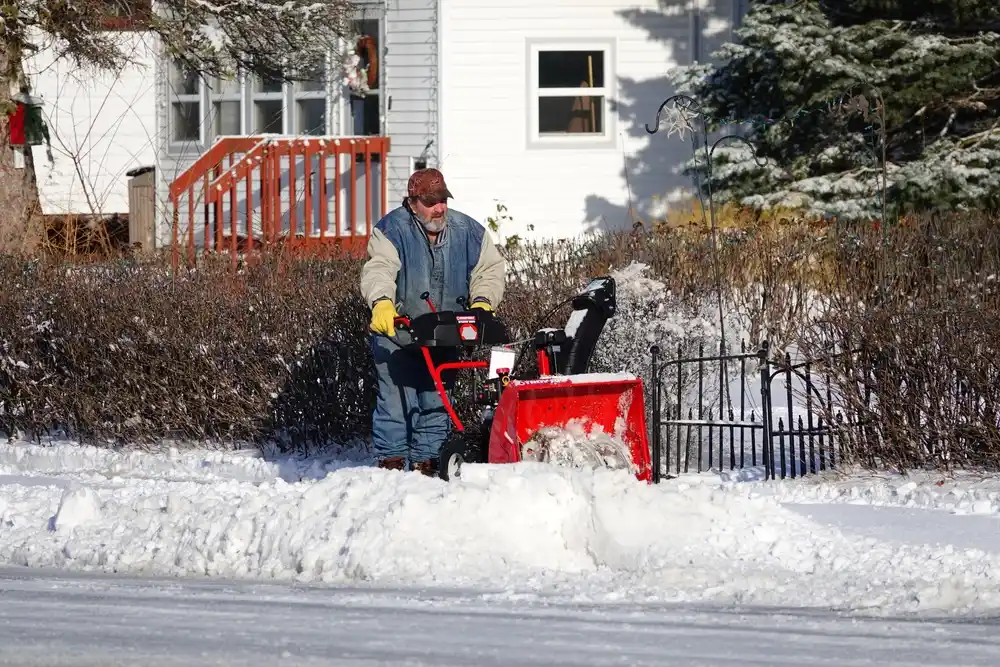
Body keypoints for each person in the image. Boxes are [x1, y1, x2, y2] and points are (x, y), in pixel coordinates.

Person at [359, 168, 506, 474]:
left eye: (442, 200)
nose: (439, 207)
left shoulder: (469, 231)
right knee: (395, 400)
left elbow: (488, 270)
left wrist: (481, 304)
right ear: (413, 202)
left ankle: (428, 463)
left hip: (445, 332)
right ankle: (392, 463)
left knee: (436, 399)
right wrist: (382, 303)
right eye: (430, 202)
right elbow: (380, 268)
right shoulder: (392, 230)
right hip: (398, 331)